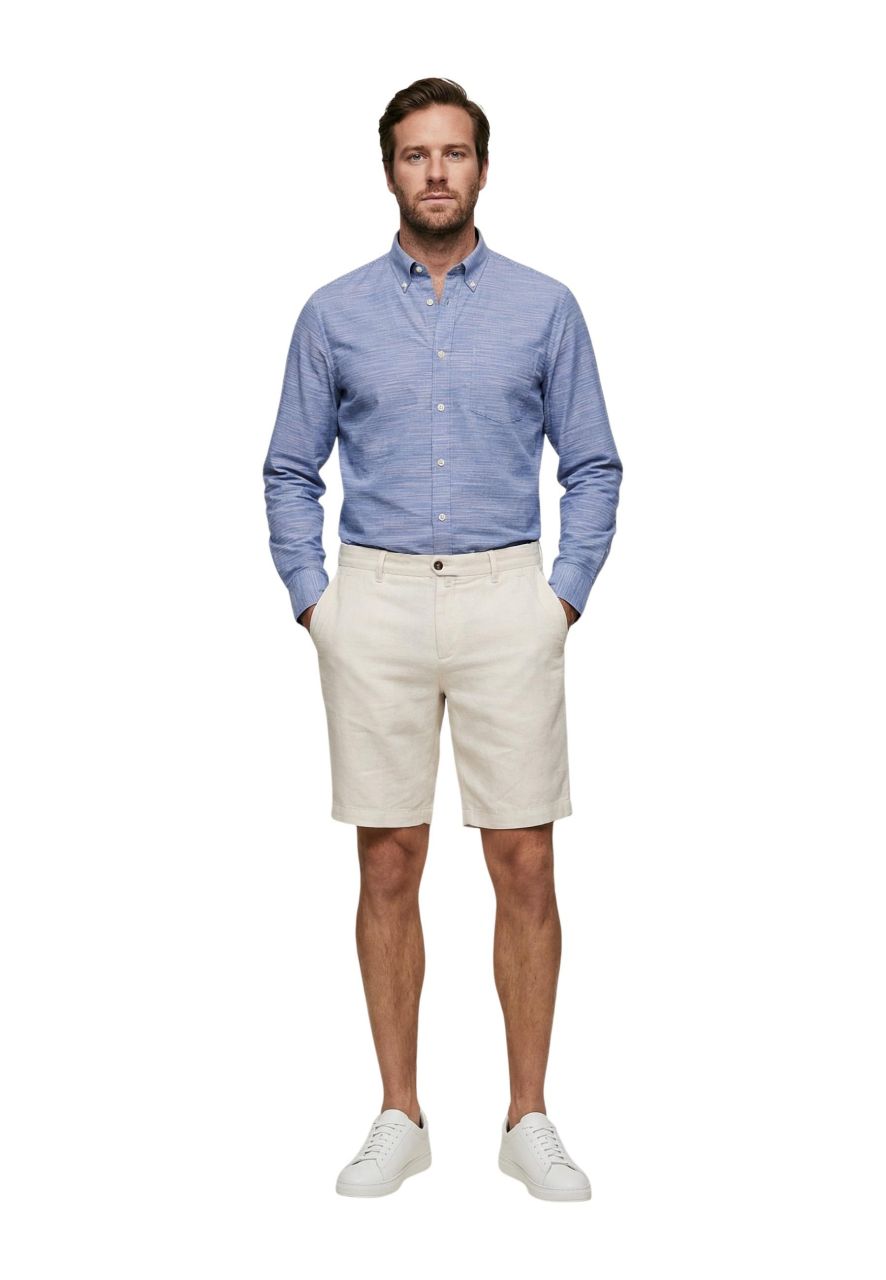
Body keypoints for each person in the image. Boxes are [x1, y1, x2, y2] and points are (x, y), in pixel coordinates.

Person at [262, 77, 623, 1200]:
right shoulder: (331, 313)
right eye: (416, 154)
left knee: (525, 857)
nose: (435, 172)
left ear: (482, 167)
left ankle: (528, 1116)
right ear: (389, 172)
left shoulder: (544, 306)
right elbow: (288, 469)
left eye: (453, 152)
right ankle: (399, 1112)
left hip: (506, 593)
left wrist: (560, 597)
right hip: (370, 599)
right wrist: (316, 603)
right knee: (387, 858)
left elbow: (594, 463)